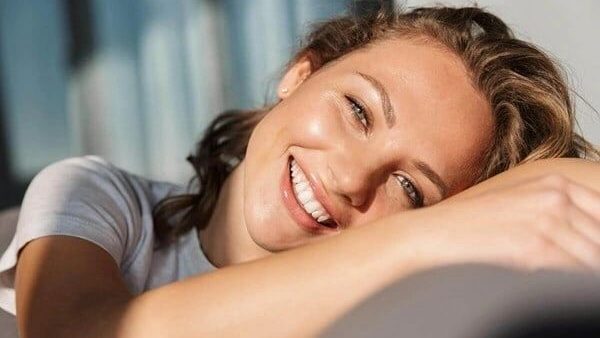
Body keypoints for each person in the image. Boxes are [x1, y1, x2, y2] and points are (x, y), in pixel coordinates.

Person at [1, 4, 600, 338]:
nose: (349, 179)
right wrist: (424, 233)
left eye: (409, 188)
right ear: (300, 75)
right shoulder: (102, 198)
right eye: (358, 111)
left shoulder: (373, 315)